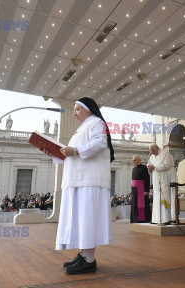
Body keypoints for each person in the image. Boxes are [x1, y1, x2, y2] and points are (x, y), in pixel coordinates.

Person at [46, 97, 114, 275]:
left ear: (88, 109)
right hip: (78, 180)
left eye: (77, 109)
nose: (74, 113)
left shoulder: (97, 122)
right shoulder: (81, 129)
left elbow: (100, 144)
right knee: (81, 220)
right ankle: (85, 255)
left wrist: (74, 151)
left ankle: (89, 260)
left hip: (90, 180)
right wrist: (53, 153)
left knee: (87, 219)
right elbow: (69, 154)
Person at [147, 144, 176, 225]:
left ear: (157, 148)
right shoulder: (152, 156)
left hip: (167, 179)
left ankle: (168, 218)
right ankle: (158, 219)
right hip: (157, 180)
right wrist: (149, 167)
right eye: (151, 151)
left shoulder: (165, 154)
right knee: (157, 198)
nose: (152, 152)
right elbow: (149, 165)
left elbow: (167, 165)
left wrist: (154, 167)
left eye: (153, 150)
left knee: (166, 198)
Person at [130, 155, 151, 223]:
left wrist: (146, 190)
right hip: (134, 190)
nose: (133, 161)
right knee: (134, 204)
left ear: (139, 160)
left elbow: (147, 180)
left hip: (141, 190)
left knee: (141, 204)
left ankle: (142, 219)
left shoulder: (144, 168)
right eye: (133, 160)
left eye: (135, 160)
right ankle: (134, 218)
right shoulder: (133, 169)